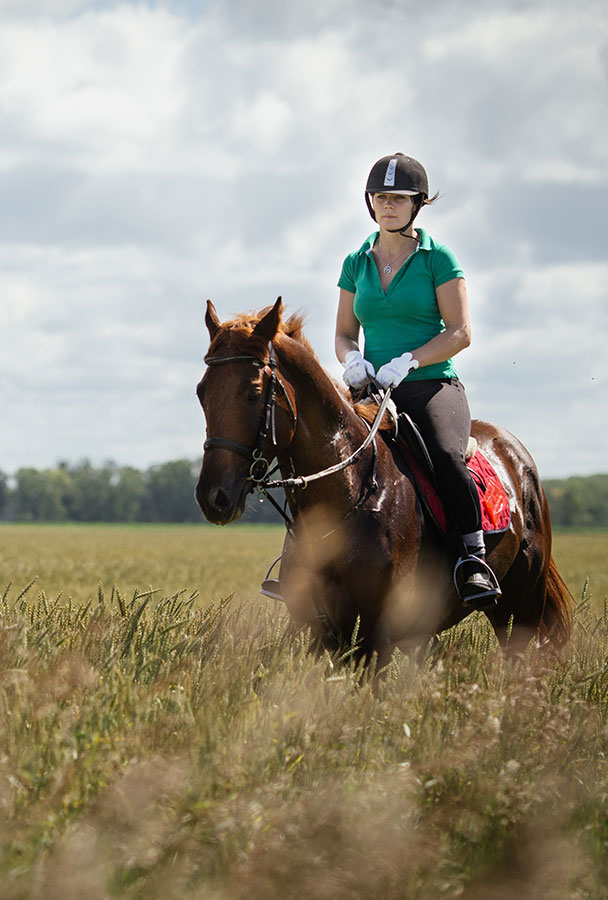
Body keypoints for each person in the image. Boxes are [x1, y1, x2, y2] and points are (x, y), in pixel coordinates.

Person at [335, 152, 500, 609]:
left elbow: (461, 332)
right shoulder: (355, 262)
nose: (388, 205)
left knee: (446, 456)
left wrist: (409, 360)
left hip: (431, 386)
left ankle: (472, 557)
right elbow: (345, 333)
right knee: (320, 453)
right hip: (371, 389)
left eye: (399, 198)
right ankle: (298, 558)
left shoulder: (438, 258)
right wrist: (351, 360)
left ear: (417, 204)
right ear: (370, 202)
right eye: (380, 197)